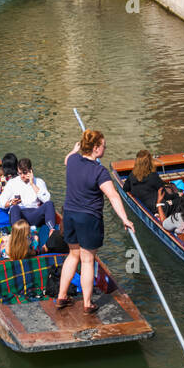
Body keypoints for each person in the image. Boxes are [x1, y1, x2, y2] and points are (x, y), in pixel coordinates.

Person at [55, 128, 134, 314]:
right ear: (96, 148)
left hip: (69, 215)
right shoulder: (100, 171)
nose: (105, 150)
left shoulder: (73, 160)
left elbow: (67, 159)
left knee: (73, 255)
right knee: (88, 260)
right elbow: (113, 196)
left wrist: (75, 150)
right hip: (88, 219)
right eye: (104, 147)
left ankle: (61, 296)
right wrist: (125, 218)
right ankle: (88, 303)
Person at [0, 158, 57, 231]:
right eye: (20, 173)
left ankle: (52, 231)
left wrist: (32, 184)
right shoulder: (12, 183)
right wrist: (11, 203)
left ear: (31, 171)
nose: (22, 176)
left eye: (25, 173)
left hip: (35, 214)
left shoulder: (39, 182)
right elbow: (0, 203)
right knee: (14, 208)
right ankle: (18, 234)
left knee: (49, 204)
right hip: (20, 215)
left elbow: (47, 199)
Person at [123, 150, 169, 216]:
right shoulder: (153, 176)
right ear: (150, 162)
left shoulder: (132, 175)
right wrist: (176, 195)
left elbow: (125, 188)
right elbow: (164, 193)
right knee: (177, 201)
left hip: (143, 204)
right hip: (155, 207)